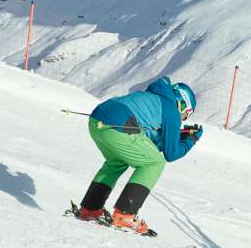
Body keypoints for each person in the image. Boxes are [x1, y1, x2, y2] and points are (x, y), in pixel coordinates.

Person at [69, 77, 203, 236]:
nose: (183, 120)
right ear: (182, 104)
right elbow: (171, 154)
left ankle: (90, 209)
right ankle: (124, 215)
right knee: (154, 163)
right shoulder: (171, 109)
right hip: (120, 124)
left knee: (116, 162)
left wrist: (175, 136)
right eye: (186, 114)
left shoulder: (156, 97)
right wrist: (190, 139)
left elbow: (146, 143)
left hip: (98, 120)